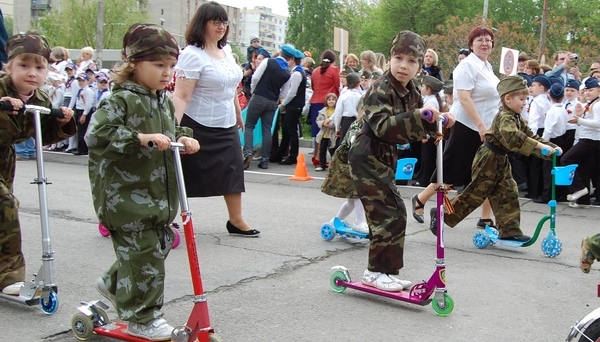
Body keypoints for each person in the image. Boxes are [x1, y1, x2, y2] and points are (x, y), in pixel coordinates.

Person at [85, 23, 200, 341]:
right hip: (126, 199)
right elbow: (97, 135)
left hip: (158, 197)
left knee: (158, 245)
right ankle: (142, 317)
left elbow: (168, 131)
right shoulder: (120, 100)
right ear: (134, 63)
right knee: (145, 257)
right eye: (159, 65)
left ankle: (112, 283)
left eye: (171, 66)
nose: (167, 73)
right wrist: (140, 138)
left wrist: (184, 138)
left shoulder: (162, 100)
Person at [347, 30, 454, 292]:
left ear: (419, 67)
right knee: (387, 211)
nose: (403, 65)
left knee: (395, 211)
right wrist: (421, 117)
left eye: (411, 61)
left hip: (385, 157)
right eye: (398, 58)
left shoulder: (411, 91)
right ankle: (374, 272)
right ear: (390, 59)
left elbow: (423, 122)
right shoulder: (379, 89)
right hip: (366, 154)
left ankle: (384, 271)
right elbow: (384, 127)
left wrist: (441, 123)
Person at [432, 76, 559, 241]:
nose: (525, 102)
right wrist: (540, 147)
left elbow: (529, 135)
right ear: (508, 99)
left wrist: (552, 148)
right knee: (475, 195)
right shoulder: (505, 116)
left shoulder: (516, 117)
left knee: (508, 192)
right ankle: (442, 214)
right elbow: (513, 137)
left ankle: (509, 230)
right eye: (521, 99)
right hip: (489, 159)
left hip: (500, 159)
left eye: (526, 98)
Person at [173, 1, 259, 236]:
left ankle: (236, 220)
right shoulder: (191, 55)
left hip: (226, 122)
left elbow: (231, 84)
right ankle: (166, 217)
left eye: (224, 21)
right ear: (203, 24)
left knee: (233, 170)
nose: (221, 26)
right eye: (216, 21)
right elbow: (181, 95)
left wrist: (237, 112)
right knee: (181, 173)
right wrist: (171, 126)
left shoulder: (227, 50)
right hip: (196, 124)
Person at [0, 32, 75, 295]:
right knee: (5, 205)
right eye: (24, 65)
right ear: (8, 67)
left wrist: (62, 122)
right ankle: (9, 275)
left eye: (39, 67)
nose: (32, 73)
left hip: (4, 159)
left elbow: (43, 135)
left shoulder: (41, 100)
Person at [413, 26, 499, 229]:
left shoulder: (487, 67)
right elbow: (465, 99)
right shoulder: (466, 66)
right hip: (468, 125)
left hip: (487, 126)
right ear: (471, 44)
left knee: (488, 172)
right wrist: (480, 126)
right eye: (480, 40)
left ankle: (485, 218)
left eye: (488, 40)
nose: (485, 43)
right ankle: (420, 199)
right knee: (451, 172)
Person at [242, 44, 298, 169]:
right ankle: (265, 160)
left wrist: (253, 90)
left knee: (249, 125)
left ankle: (248, 153)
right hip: (272, 101)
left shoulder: (268, 61)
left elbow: (256, 77)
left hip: (259, 97)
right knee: (267, 130)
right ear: (290, 58)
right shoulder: (287, 73)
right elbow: (284, 92)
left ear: (280, 53)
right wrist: (276, 100)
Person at [321, 109, 369, 234]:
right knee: (357, 193)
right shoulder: (358, 124)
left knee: (351, 201)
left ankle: (334, 222)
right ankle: (359, 222)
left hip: (357, 163)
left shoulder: (374, 126)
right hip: (345, 162)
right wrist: (358, 141)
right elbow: (352, 138)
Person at [561, 77, 600, 209]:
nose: (588, 92)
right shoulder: (591, 104)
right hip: (586, 138)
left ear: (599, 91)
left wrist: (579, 120)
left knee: (566, 159)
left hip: (591, 140)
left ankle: (578, 188)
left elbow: (598, 124)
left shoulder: (598, 105)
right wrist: (579, 116)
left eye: (591, 90)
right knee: (582, 167)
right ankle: (583, 201)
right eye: (586, 90)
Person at [536, 83, 568, 203]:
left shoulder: (552, 111)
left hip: (551, 141)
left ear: (549, 95)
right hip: (561, 138)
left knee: (548, 169)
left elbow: (548, 130)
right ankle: (558, 193)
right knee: (556, 168)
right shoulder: (563, 109)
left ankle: (547, 195)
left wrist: (543, 143)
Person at [275, 47, 307, 165]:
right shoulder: (299, 72)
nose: (287, 62)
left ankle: (293, 156)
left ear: (293, 59)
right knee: (287, 131)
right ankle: (281, 153)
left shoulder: (297, 74)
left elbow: (292, 92)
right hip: (295, 105)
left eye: (288, 60)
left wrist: (283, 104)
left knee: (291, 132)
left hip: (293, 106)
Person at [308, 50, 340, 158]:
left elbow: (313, 87)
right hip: (328, 102)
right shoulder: (334, 70)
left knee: (318, 130)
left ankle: (316, 155)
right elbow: (338, 86)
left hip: (315, 102)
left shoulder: (315, 71)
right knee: (328, 130)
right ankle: (325, 156)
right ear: (333, 60)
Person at [415, 75, 445, 187]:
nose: (421, 88)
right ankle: (424, 178)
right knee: (426, 157)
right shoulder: (429, 100)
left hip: (429, 134)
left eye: (423, 86)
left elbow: (428, 121)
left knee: (427, 158)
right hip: (429, 134)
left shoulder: (431, 102)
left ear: (428, 89)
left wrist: (424, 134)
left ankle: (425, 180)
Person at [526, 74, 552, 200]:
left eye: (534, 85)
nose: (531, 88)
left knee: (535, 165)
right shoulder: (547, 100)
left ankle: (534, 192)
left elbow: (533, 121)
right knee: (542, 164)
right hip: (545, 131)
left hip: (538, 132)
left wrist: (532, 138)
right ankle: (541, 190)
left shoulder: (537, 101)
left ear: (542, 88)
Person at [315, 93, 338, 171]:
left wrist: (330, 125)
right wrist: (323, 123)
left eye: (333, 100)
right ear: (326, 101)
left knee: (332, 150)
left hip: (332, 135)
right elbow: (318, 121)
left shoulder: (337, 111)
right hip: (324, 134)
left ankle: (334, 165)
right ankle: (322, 164)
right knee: (322, 150)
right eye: (329, 100)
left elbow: (338, 122)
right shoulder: (322, 111)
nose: (331, 101)